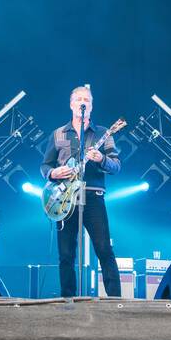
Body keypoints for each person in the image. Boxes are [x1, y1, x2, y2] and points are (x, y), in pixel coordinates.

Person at [41, 85, 122, 298]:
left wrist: (101, 159)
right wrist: (54, 173)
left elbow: (116, 166)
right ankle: (68, 300)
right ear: (71, 104)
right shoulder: (58, 134)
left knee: (104, 248)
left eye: (86, 99)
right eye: (78, 99)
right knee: (66, 254)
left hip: (93, 197)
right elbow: (44, 166)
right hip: (65, 199)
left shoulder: (103, 133)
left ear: (92, 106)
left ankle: (115, 300)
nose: (82, 102)